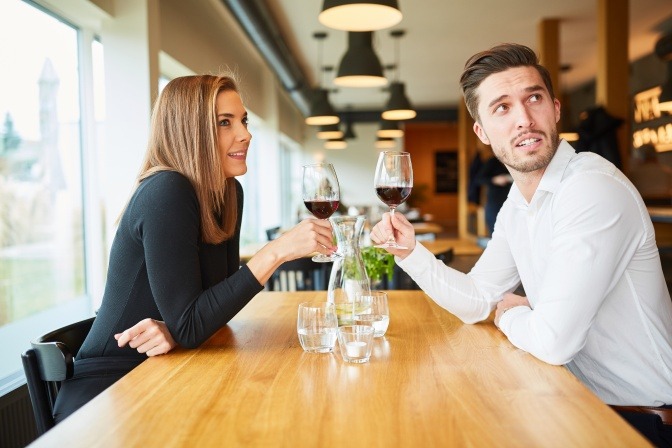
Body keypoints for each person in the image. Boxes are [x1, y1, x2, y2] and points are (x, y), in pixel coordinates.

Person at [370, 43, 672, 446]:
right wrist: (409, 253)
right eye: (502, 108)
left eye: (534, 98)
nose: (524, 120)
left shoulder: (590, 187)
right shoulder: (519, 203)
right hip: (579, 405)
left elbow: (553, 341)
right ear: (482, 131)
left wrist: (505, 314)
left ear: (556, 108)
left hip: (643, 425)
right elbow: (477, 298)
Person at [52, 74, 335, 423]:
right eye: (224, 123)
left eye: (243, 121)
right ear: (190, 131)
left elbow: (210, 312)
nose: (245, 134)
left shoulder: (229, 193)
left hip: (169, 367)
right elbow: (192, 324)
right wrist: (275, 252)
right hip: (110, 389)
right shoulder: (166, 190)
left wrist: (177, 327)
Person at [473, 148, 513, 235]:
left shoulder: (514, 161)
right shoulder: (492, 162)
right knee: (496, 231)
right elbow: (478, 179)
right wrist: (494, 180)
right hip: (495, 201)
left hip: (512, 200)